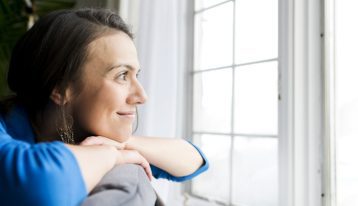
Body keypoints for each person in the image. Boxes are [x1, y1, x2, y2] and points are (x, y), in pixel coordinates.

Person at [0, 8, 208, 206]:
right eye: (122, 75)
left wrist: (122, 144)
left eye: (137, 75)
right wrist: (113, 155)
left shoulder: (84, 131)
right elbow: (39, 187)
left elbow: (193, 160)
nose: (142, 96)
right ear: (61, 89)